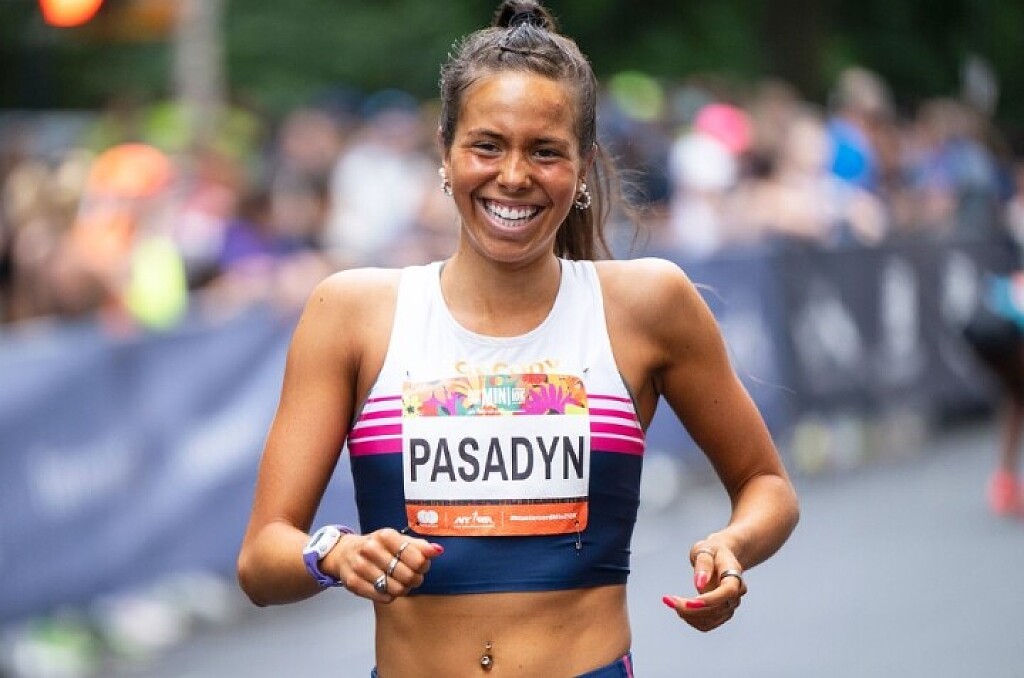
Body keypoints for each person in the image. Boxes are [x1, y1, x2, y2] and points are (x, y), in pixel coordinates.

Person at [236, 2, 800, 675]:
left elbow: (766, 484)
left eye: (545, 151)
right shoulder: (352, 311)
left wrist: (733, 546)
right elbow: (261, 561)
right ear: (445, 153)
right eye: (486, 146)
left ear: (583, 166)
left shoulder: (648, 304)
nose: (512, 175)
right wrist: (332, 552)